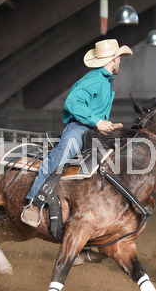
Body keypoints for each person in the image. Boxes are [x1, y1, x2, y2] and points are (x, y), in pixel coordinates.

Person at [21, 39, 132, 226]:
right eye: (119, 57)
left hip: (94, 131)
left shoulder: (105, 81)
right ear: (113, 59)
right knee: (61, 155)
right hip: (80, 128)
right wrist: (98, 122)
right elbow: (72, 103)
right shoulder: (95, 79)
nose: (120, 61)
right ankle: (34, 203)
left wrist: (106, 124)